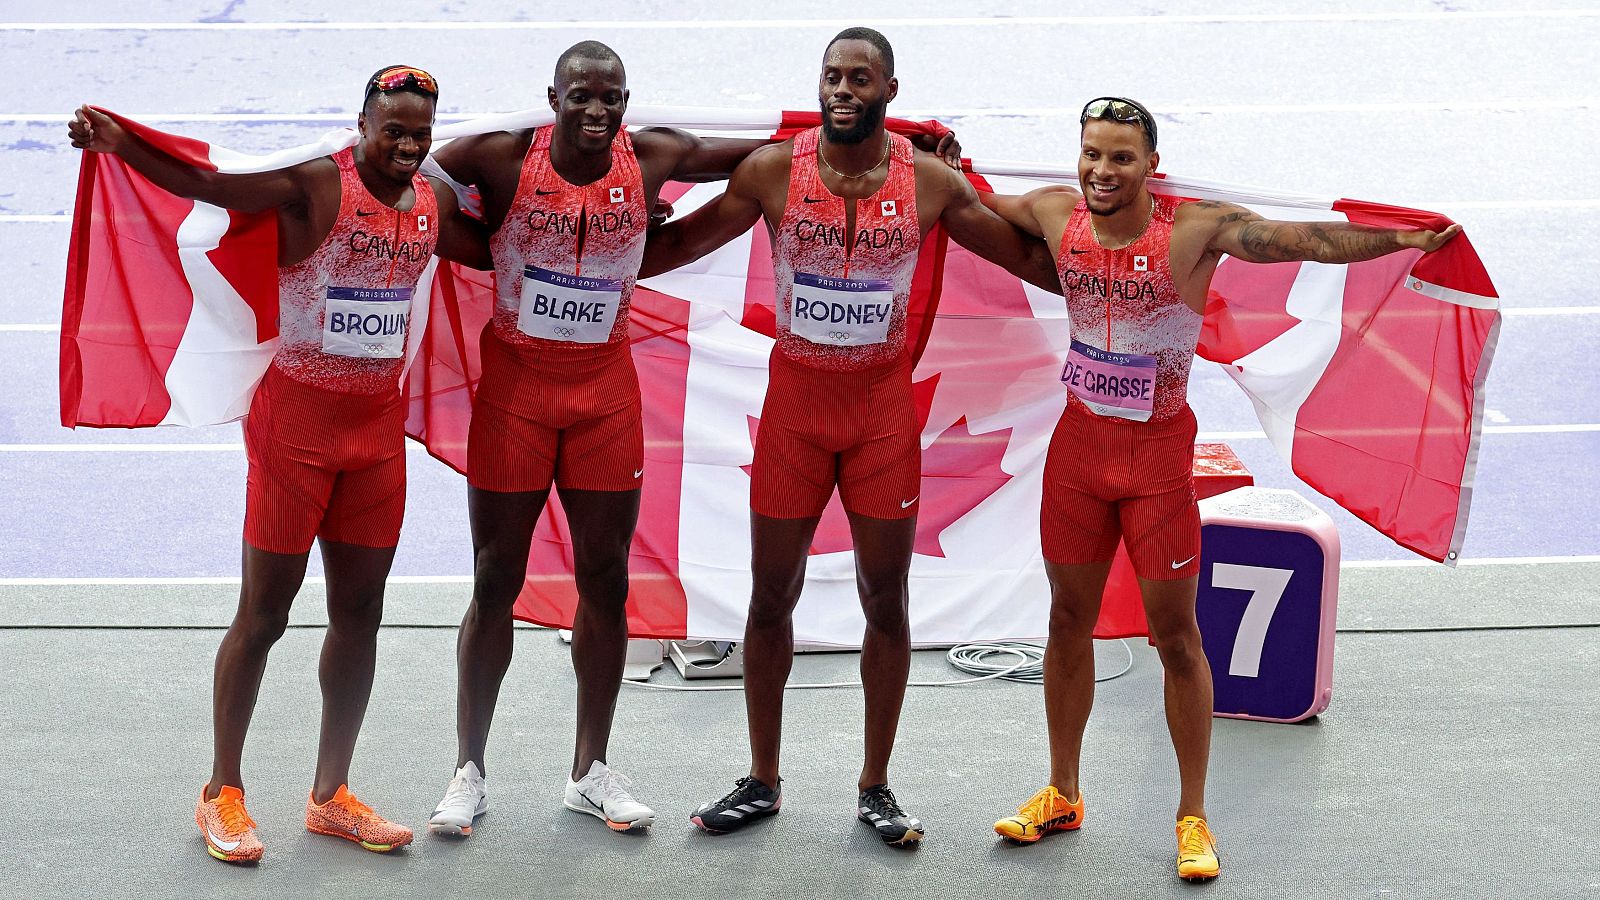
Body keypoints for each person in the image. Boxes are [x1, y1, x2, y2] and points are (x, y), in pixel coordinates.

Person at [422, 40, 962, 838]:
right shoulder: (501, 156)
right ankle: (468, 771)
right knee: (495, 573)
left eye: (611, 97)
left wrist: (900, 138)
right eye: (581, 97)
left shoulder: (657, 156)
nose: (597, 110)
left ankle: (591, 770)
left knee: (608, 578)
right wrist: (486, 241)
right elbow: (411, 176)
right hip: (519, 395)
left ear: (628, 100)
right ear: (554, 96)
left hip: (612, 395)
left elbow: (764, 148)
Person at [979, 96, 1461, 881]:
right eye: (1092, 154)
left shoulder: (1193, 231)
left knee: (1175, 638)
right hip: (1077, 453)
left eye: (1121, 158)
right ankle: (1062, 792)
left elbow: (1295, 240)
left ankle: (1192, 816)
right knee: (1067, 618)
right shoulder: (1052, 211)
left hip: (1156, 458)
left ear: (1150, 166)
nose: (1103, 171)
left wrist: (1396, 238)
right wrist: (920, 150)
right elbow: (961, 200)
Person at [637, 27, 1059, 847]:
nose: (841, 90)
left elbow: (1027, 260)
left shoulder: (931, 182)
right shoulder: (771, 172)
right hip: (796, 408)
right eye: (831, 77)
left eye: (858, 79)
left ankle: (876, 786)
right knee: (769, 597)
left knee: (885, 600)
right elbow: (680, 243)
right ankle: (762, 778)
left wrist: (1122, 255)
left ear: (888, 92)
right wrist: (594, 246)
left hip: (880, 418)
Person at [68, 65, 490, 864]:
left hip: (375, 435)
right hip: (294, 426)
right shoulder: (311, 186)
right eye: (392, 130)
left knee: (359, 617)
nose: (406, 146)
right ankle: (220, 792)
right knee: (264, 615)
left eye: (419, 135)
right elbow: (211, 183)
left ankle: (331, 795)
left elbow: (493, 247)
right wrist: (122, 144)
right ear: (360, 124)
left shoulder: (430, 204)